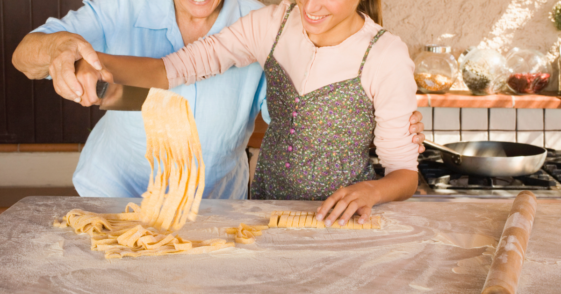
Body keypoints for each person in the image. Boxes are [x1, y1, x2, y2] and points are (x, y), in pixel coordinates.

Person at [12, 0, 426, 201]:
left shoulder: (261, 21)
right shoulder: (125, 6)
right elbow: (167, 69)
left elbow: (293, 118)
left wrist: (376, 122)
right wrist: (74, 53)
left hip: (217, 206)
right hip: (116, 192)